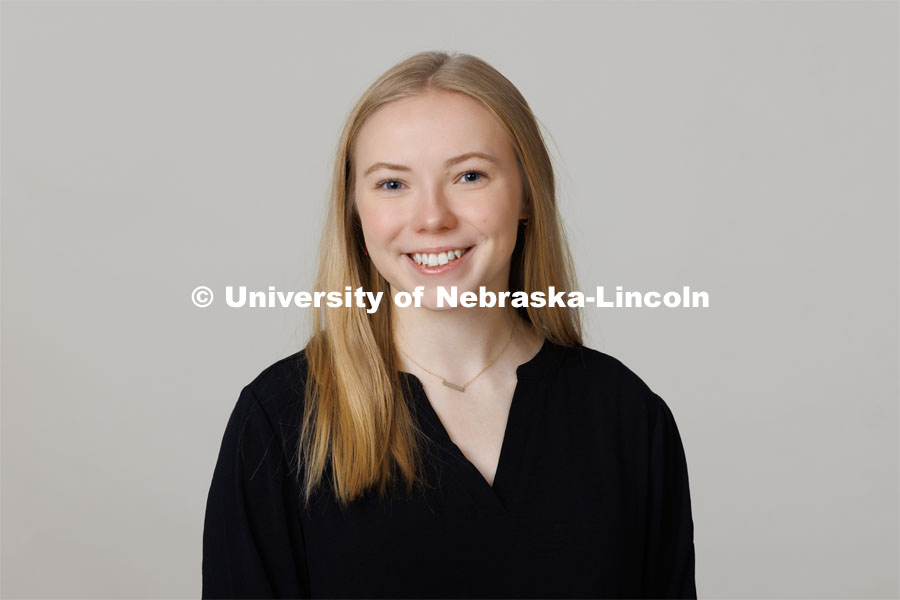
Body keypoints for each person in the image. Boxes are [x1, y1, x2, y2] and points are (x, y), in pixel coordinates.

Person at [202, 51, 697, 599]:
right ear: (355, 210)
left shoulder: (627, 418)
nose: (432, 217)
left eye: (469, 175)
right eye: (393, 184)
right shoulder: (279, 423)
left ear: (527, 194)